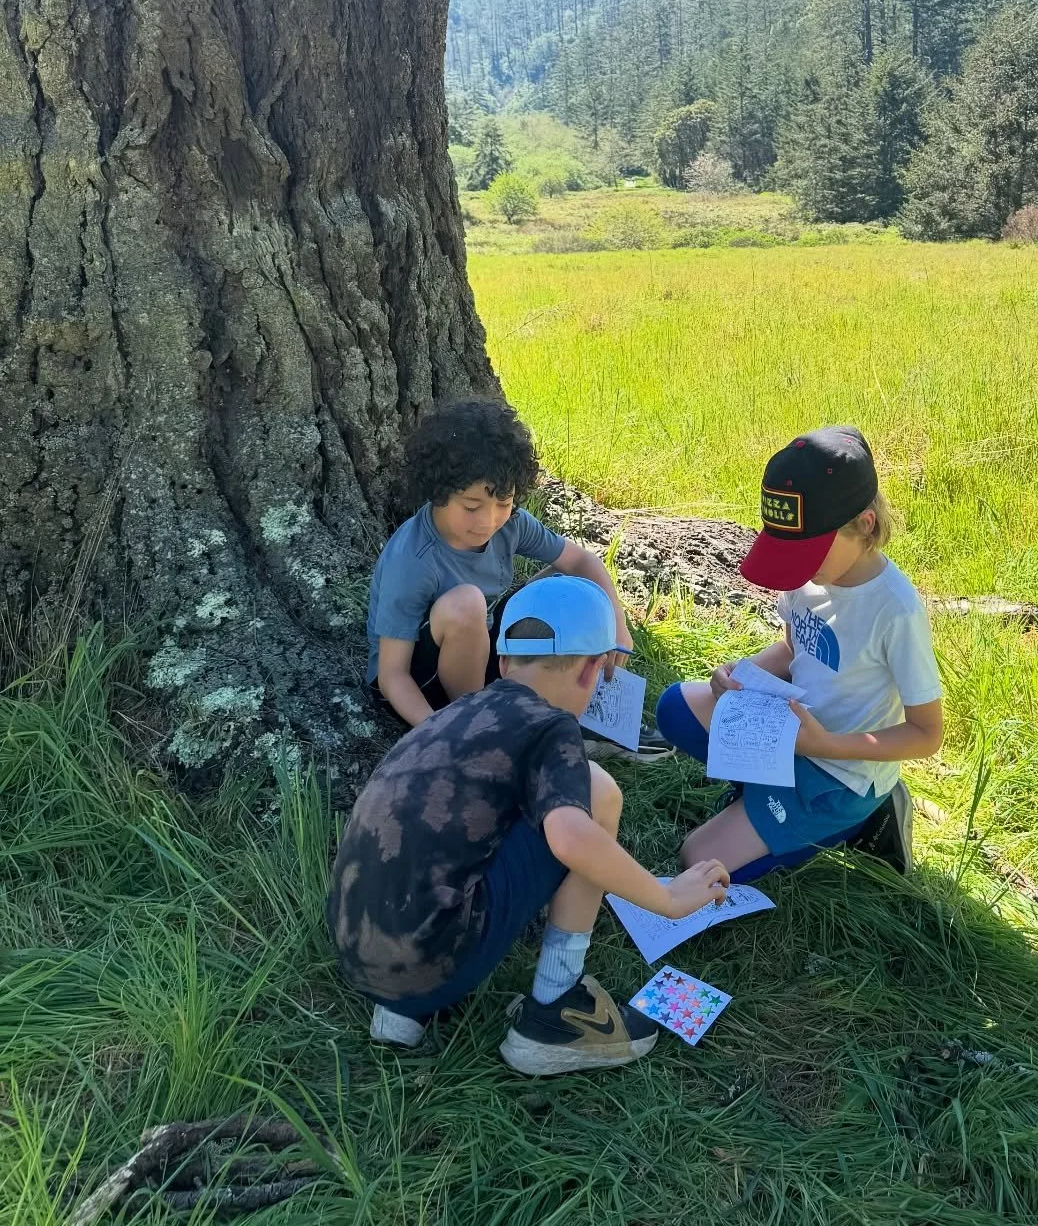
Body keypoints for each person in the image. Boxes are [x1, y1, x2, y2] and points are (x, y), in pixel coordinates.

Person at [328, 574, 730, 1071]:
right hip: (430, 961)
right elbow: (570, 837)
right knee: (597, 791)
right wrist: (667, 898)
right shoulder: (550, 724)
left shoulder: (458, 712)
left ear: (502, 662)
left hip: (356, 949)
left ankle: (402, 1013)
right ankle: (555, 1012)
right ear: (593, 669)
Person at [654, 425, 944, 880]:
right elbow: (794, 648)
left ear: (864, 525)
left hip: (841, 771)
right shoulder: (809, 579)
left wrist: (823, 745)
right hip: (793, 732)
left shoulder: (895, 610)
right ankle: (763, 797)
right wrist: (741, 673)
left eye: (807, 553)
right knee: (674, 708)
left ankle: (862, 820)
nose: (797, 569)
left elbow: (926, 733)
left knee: (699, 861)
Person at [366, 396, 633, 729]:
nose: (488, 521)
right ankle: (479, 722)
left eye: (503, 503)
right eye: (471, 506)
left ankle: (581, 710)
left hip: (483, 645)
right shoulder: (412, 560)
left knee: (560, 584)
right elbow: (392, 676)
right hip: (418, 687)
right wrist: (438, 733)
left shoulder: (511, 524)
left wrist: (616, 621)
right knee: (467, 603)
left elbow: (579, 560)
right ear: (438, 492)